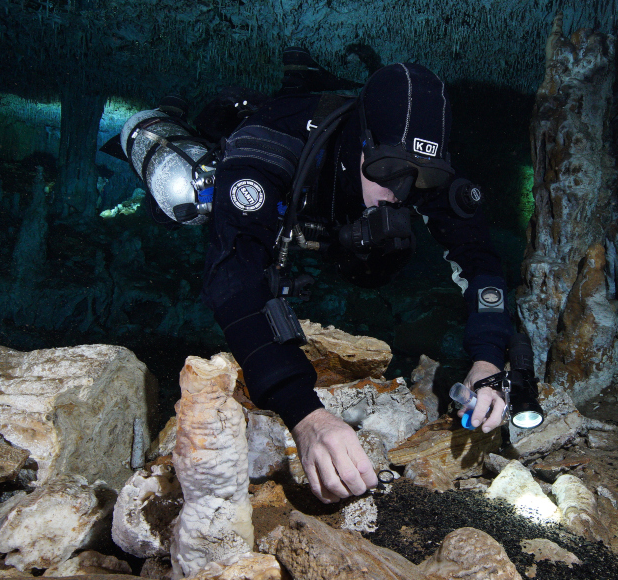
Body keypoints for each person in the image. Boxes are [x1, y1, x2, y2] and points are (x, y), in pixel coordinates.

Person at [162, 53, 515, 503]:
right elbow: (232, 277)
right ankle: (172, 117)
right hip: (269, 177)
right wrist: (306, 415)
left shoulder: (417, 166)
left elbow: (479, 261)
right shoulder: (272, 145)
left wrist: (488, 358)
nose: (401, 193)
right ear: (360, 145)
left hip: (343, 203)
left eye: (421, 177)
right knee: (176, 203)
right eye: (389, 171)